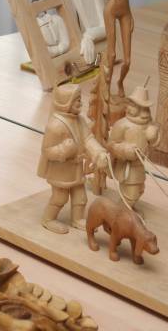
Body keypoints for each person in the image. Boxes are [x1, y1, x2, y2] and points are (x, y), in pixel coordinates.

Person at [38, 85, 109, 234]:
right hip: (61, 171)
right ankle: (48, 218)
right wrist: (63, 149)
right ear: (66, 102)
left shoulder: (79, 120)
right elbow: (47, 150)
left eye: (79, 99)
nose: (80, 103)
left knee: (80, 196)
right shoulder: (55, 126)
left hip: (76, 169)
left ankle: (77, 219)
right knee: (60, 197)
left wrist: (98, 153)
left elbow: (88, 139)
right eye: (77, 100)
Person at [107, 86, 159, 210]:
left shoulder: (148, 124)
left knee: (139, 190)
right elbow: (111, 145)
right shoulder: (122, 124)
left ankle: (127, 211)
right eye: (131, 104)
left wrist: (154, 137)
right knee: (131, 193)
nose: (129, 107)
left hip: (139, 165)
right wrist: (125, 150)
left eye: (134, 105)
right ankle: (122, 213)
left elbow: (154, 144)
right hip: (127, 167)